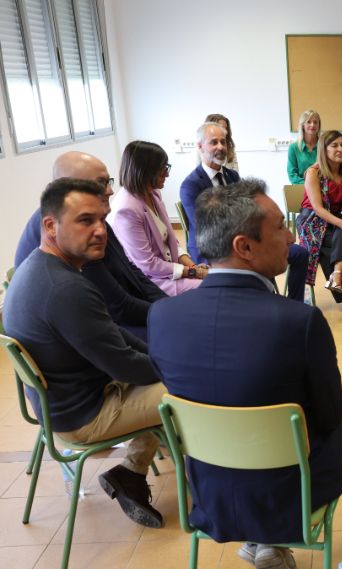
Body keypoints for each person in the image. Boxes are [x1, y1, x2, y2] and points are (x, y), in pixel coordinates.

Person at [148, 179, 342, 569]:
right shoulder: (301, 322)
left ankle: (263, 545)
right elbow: (330, 416)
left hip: (209, 493)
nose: (292, 235)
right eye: (280, 227)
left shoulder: (162, 316)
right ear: (244, 246)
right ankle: (271, 541)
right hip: (288, 495)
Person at [3, 178, 166, 528]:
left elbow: (114, 334)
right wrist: (175, 367)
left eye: (102, 220)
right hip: (84, 416)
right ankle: (218, 487)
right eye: (85, 221)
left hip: (62, 405)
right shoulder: (66, 289)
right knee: (186, 390)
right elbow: (124, 366)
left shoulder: (38, 266)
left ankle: (130, 474)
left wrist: (159, 355)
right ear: (50, 225)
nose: (99, 231)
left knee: (166, 369)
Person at [13, 151, 166, 340]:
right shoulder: (70, 233)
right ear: (71, 186)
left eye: (108, 181)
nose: (110, 190)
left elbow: (131, 269)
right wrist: (169, 314)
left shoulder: (91, 217)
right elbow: (119, 308)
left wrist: (166, 304)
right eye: (101, 183)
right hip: (92, 331)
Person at [109, 141, 205, 296]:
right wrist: (193, 273)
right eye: (163, 169)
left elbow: (171, 239)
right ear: (146, 171)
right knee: (206, 287)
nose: (167, 174)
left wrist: (193, 267)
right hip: (150, 279)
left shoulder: (153, 193)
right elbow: (147, 265)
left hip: (169, 268)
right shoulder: (126, 210)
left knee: (213, 281)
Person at [297, 130, 342, 315]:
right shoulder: (313, 173)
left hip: (334, 218)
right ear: (324, 149)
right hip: (312, 220)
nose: (340, 149)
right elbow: (318, 209)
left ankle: (337, 277)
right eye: (334, 145)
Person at [179, 121, 240, 264]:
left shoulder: (233, 176)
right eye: (214, 142)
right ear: (200, 146)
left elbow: (243, 212)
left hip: (234, 242)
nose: (221, 147)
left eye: (223, 142)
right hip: (208, 249)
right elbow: (205, 226)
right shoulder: (190, 185)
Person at [287, 109, 320, 184]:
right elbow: (292, 176)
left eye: (315, 122)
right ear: (302, 125)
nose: (312, 125)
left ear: (319, 125)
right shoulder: (293, 148)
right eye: (308, 122)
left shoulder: (325, 146)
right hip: (301, 187)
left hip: (323, 188)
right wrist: (310, 185)